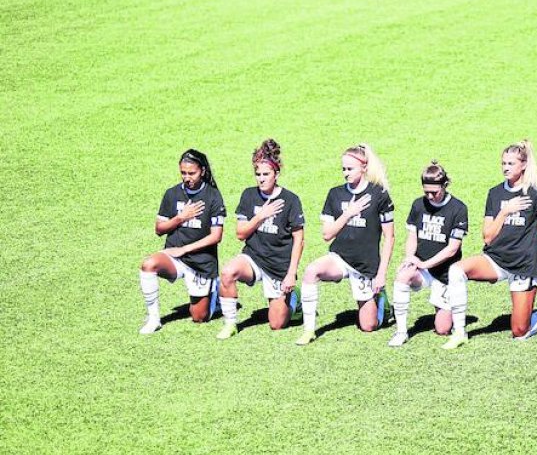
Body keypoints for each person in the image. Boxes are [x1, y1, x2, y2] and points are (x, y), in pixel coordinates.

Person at [442, 140, 537, 349]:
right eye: (503, 163)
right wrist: (505, 211)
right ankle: (459, 332)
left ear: (523, 165)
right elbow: (488, 237)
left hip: (523, 265)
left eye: (511, 164)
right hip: (496, 259)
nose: (505, 168)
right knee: (456, 270)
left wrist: (522, 246)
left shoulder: (535, 194)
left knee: (519, 332)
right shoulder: (495, 193)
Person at [295, 144, 395, 346]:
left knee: (368, 326)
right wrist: (348, 213)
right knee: (311, 271)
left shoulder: (379, 195)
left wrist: (382, 274)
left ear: (364, 167)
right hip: (339, 258)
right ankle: (309, 329)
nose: (345, 173)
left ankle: (381, 300)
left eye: (350, 169)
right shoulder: (335, 194)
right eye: (343, 169)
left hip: (366, 265)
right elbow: (327, 234)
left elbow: (389, 237)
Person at [215, 139, 305, 339]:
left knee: (277, 324)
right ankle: (230, 324)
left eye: (266, 174)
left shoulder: (291, 200)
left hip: (278, 265)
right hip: (253, 258)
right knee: (228, 273)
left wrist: (291, 274)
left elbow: (299, 240)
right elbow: (240, 234)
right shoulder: (248, 196)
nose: (261, 179)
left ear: (276, 174)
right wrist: (261, 215)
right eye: (258, 174)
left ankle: (294, 301)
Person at [138, 149, 226, 334]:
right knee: (148, 265)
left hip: (201, 262)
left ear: (202, 171)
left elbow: (216, 236)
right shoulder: (172, 194)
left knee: (199, 317)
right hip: (174, 257)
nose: (187, 177)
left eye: (191, 173)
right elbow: (159, 229)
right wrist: (180, 218)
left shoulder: (213, 197)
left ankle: (214, 292)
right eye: (183, 173)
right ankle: (154, 319)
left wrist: (184, 249)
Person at [388, 161, 469, 347]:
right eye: (426, 192)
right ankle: (401, 332)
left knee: (442, 329)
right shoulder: (418, 205)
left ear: (445, 185)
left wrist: (425, 264)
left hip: (444, 274)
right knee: (402, 276)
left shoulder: (458, 208)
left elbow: (452, 249)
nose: (430, 196)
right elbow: (412, 237)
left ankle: (442, 305)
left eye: (435, 192)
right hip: (422, 269)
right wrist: (410, 258)